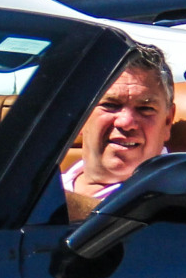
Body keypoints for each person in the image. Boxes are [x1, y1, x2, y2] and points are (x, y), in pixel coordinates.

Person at [61, 44, 175, 218]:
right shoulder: (48, 187)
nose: (126, 122)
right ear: (79, 117)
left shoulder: (180, 192)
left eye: (145, 108)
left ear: (167, 121)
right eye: (110, 105)